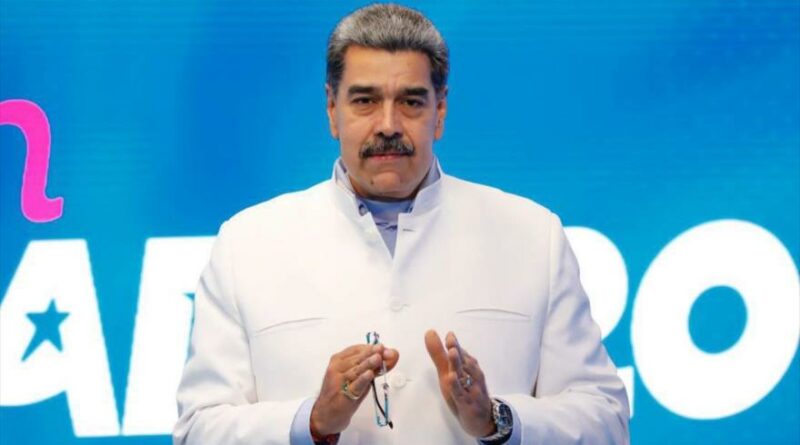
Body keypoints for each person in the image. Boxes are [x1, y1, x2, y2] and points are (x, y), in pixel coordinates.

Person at [173, 3, 630, 444]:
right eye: (365, 101)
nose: (388, 125)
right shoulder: (247, 245)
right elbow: (198, 430)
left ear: (440, 111)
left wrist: (498, 420)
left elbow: (607, 419)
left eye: (411, 101)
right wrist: (310, 422)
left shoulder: (531, 236)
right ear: (332, 109)